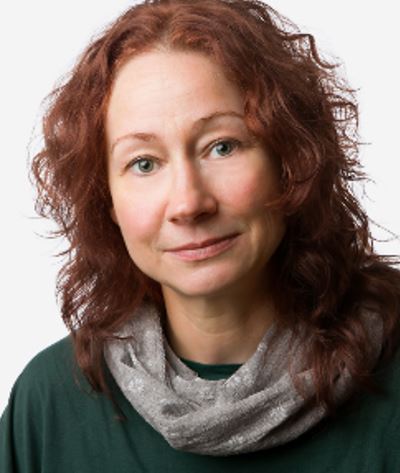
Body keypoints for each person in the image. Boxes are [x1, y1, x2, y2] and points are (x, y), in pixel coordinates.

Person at [1, 0, 399, 471]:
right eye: (144, 163)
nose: (188, 203)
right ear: (107, 200)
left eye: (222, 146)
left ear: (290, 160)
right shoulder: (49, 405)